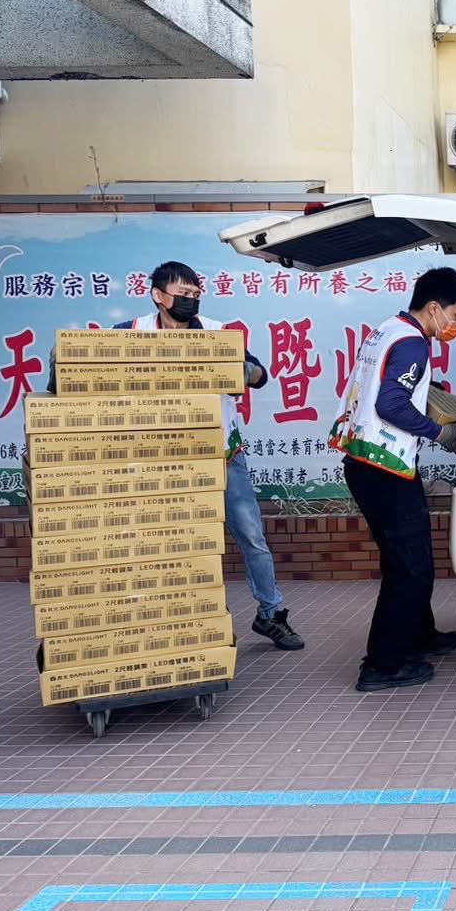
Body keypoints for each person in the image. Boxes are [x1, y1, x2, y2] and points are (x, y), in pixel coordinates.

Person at [119, 262, 303, 652]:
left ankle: (271, 614)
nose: (190, 301)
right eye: (182, 294)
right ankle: (176, 622)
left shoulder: (218, 333)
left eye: (195, 294)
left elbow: (260, 376)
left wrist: (240, 368)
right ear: (158, 295)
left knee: (252, 536)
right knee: (172, 545)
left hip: (223, 457)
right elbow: (87, 362)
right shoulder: (131, 332)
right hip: (163, 464)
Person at [332, 267, 456, 692]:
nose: (455, 324)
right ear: (434, 307)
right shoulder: (412, 343)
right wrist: (440, 433)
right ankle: (383, 665)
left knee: (408, 558)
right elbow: (390, 403)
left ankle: (418, 634)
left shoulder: (388, 330)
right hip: (385, 469)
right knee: (411, 566)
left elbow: (384, 386)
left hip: (366, 463)